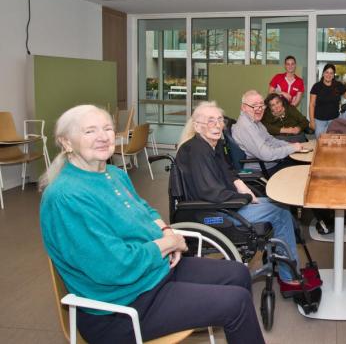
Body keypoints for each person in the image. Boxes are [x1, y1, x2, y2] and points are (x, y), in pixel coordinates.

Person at [39, 105, 265, 344]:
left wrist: (166, 231)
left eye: (107, 128)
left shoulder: (113, 174)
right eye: (89, 131)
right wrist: (167, 244)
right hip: (121, 306)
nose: (103, 137)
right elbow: (113, 266)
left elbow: (144, 210)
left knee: (239, 272)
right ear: (66, 143)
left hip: (154, 272)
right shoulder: (65, 197)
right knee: (236, 303)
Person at [176, 101, 320, 296]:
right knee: (280, 212)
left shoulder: (212, 145)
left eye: (219, 120)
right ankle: (288, 276)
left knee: (280, 205)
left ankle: (282, 263)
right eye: (210, 121)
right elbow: (210, 192)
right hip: (215, 212)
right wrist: (243, 198)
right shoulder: (197, 151)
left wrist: (244, 189)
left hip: (225, 204)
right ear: (197, 125)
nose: (217, 125)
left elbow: (227, 172)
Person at [232, 90, 303, 174]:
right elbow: (266, 154)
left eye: (261, 105)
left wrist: (289, 145)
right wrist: (292, 148)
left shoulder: (255, 121)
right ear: (243, 107)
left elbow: (270, 139)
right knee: (302, 170)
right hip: (263, 169)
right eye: (254, 106)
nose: (259, 109)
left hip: (271, 163)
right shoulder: (245, 126)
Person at [309, 63, 346, 138]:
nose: (328, 75)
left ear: (333, 75)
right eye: (327, 72)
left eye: (331, 73)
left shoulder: (338, 85)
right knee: (321, 142)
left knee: (333, 143)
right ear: (323, 73)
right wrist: (312, 121)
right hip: (319, 121)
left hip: (334, 120)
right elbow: (312, 104)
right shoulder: (316, 86)